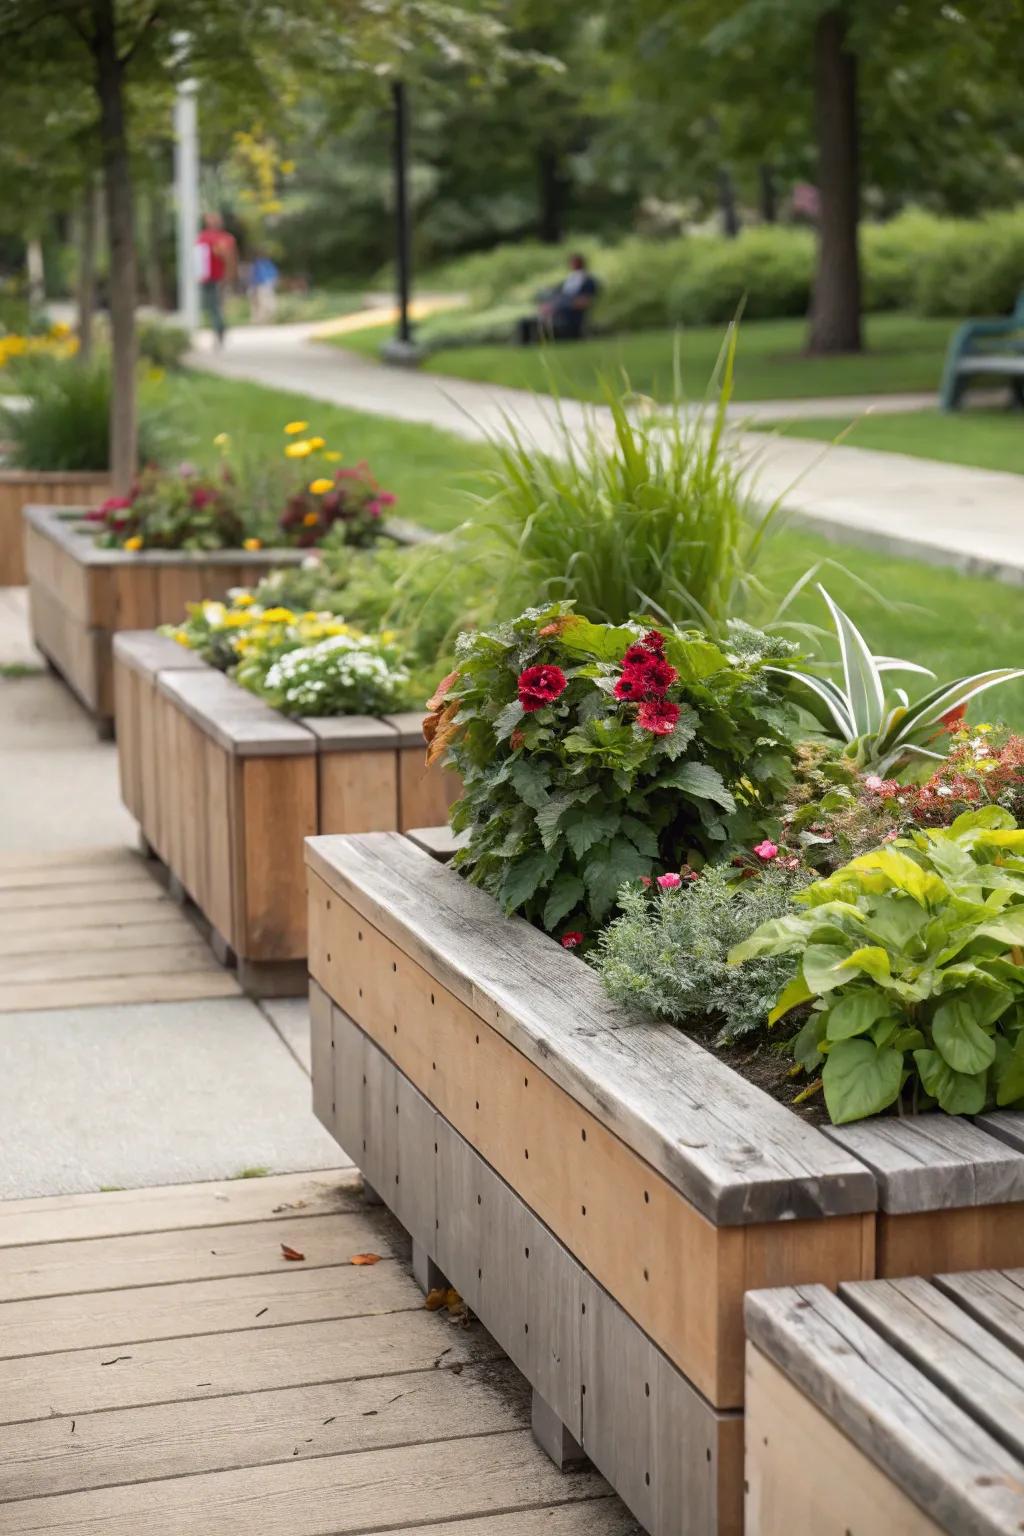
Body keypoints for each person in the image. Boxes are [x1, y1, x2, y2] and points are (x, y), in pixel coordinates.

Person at [517, 254, 599, 346]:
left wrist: (556, 307)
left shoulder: (588, 281)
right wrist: (547, 305)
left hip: (569, 322)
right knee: (524, 323)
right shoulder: (568, 281)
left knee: (535, 327)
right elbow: (556, 296)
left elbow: (584, 302)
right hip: (556, 318)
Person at [195, 212, 238, 347]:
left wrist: (230, 276)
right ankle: (220, 329)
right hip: (208, 277)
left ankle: (219, 330)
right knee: (214, 306)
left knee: (216, 306)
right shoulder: (203, 237)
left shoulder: (224, 238)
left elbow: (230, 258)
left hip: (219, 278)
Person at [248, 252, 279, 323]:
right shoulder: (260, 264)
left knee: (264, 302)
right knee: (260, 303)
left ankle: (265, 318)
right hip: (261, 285)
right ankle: (262, 319)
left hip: (263, 285)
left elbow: (271, 275)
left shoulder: (263, 264)